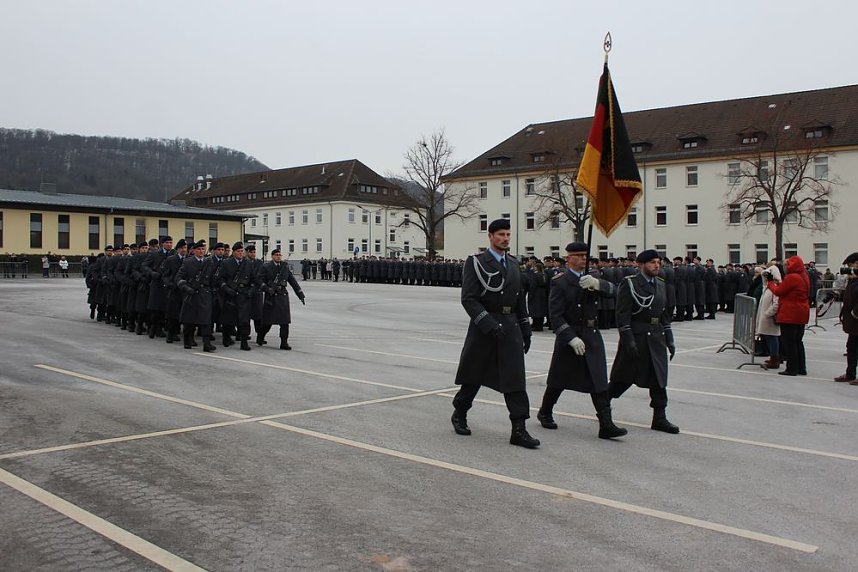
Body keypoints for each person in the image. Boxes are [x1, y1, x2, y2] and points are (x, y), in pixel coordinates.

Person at [450, 218, 538, 449]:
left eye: (508, 234)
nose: (505, 238)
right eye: (500, 234)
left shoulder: (513, 263)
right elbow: (469, 299)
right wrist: (488, 324)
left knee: (515, 378)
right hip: (485, 328)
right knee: (474, 376)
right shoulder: (477, 262)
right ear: (490, 237)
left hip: (510, 327)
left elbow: (520, 299)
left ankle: (519, 429)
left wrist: (526, 328)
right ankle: (460, 412)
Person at [537, 242, 626, 439]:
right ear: (568, 258)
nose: (583, 259)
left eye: (585, 255)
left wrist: (598, 285)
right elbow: (556, 315)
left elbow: (619, 293)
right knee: (558, 379)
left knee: (599, 380)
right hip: (571, 335)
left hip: (591, 333)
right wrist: (569, 338)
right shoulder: (560, 281)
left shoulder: (593, 277)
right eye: (578, 255)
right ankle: (545, 411)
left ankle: (606, 424)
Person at [608, 249, 679, 434]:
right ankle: (603, 407)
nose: (656, 266)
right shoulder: (630, 284)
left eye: (658, 262)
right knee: (622, 379)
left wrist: (669, 339)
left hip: (656, 338)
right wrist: (628, 340)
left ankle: (660, 418)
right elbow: (622, 317)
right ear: (640, 265)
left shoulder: (661, 284)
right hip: (637, 336)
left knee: (659, 379)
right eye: (652, 263)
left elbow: (664, 315)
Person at [767, 255, 810, 376]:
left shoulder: (792, 277)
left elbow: (779, 292)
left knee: (789, 342)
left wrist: (770, 284)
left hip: (790, 313)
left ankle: (791, 368)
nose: (785, 267)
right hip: (802, 312)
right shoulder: (804, 276)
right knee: (798, 341)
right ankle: (801, 367)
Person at [256, 248, 305, 349]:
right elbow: (259, 280)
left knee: (284, 322)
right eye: (276, 255)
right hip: (271, 296)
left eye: (280, 255)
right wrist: (266, 288)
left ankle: (284, 342)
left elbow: (292, 281)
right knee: (267, 322)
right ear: (272, 256)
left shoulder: (284, 267)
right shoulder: (266, 266)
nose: (278, 256)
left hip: (282, 296)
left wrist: (300, 294)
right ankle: (260, 336)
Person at [176, 241, 217, 352]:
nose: (201, 252)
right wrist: (185, 287)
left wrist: (213, 291)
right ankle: (187, 340)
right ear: (194, 251)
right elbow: (179, 278)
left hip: (205, 293)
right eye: (198, 249)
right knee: (189, 319)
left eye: (203, 249)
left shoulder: (209, 262)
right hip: (192, 293)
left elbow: (213, 278)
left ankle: (207, 343)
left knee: (206, 320)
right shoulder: (187, 262)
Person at [216, 242, 257, 350]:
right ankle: (226, 337)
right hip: (230, 295)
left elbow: (253, 280)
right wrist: (226, 288)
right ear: (233, 252)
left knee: (244, 320)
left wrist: (251, 290)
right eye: (238, 251)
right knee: (228, 319)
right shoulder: (226, 263)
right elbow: (220, 279)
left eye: (241, 251)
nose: (240, 253)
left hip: (244, 295)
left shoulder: (248, 263)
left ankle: (244, 341)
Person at [835, 253, 858, 384]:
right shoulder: (853, 280)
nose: (849, 269)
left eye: (851, 266)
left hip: (856, 320)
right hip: (853, 323)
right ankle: (850, 373)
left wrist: (855, 313)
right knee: (851, 347)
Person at [758, 266, 782, 370]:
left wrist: (767, 314)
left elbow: (776, 304)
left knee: (772, 338)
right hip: (766, 318)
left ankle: (774, 359)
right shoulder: (768, 287)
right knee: (768, 337)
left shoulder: (776, 287)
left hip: (770, 318)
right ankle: (773, 357)